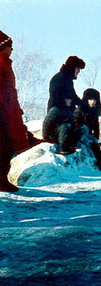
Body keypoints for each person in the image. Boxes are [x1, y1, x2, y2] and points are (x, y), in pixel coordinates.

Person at [0, 31, 30, 192]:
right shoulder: (1, 64)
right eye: (10, 47)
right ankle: (1, 180)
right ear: (2, 47)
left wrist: (16, 109)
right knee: (4, 147)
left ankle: (2, 179)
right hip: (3, 114)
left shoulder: (5, 63)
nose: (12, 50)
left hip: (8, 112)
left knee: (7, 147)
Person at [73, 88, 101, 169]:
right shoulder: (80, 110)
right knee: (88, 143)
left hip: (88, 135)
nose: (93, 102)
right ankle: (95, 161)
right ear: (86, 100)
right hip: (78, 135)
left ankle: (100, 162)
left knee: (94, 143)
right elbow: (75, 123)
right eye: (90, 99)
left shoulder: (94, 111)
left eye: (95, 100)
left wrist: (96, 138)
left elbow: (96, 126)